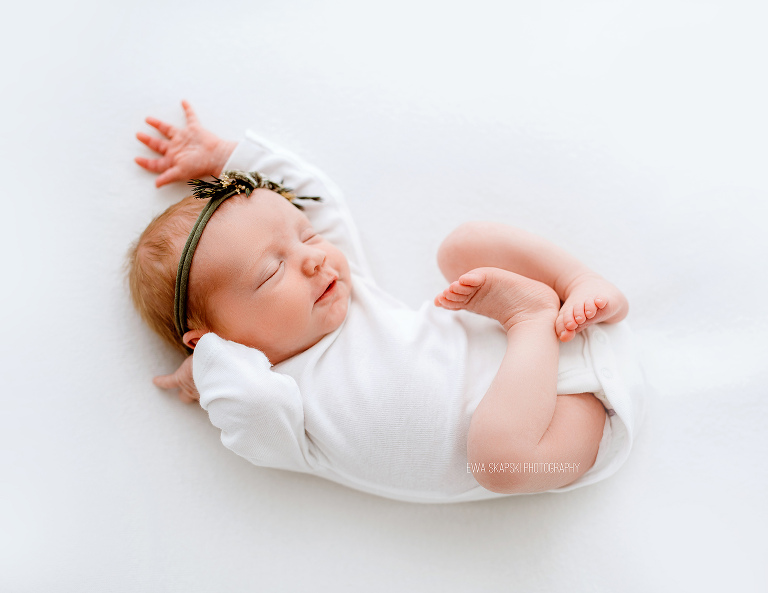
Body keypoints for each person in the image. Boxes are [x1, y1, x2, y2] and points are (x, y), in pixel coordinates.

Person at [128, 101, 645, 503]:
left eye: (306, 238)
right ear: (217, 343)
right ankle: (529, 312)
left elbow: (315, 195)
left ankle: (579, 281)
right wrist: (203, 370)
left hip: (561, 331)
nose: (313, 260)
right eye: (271, 272)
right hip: (562, 428)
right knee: (500, 466)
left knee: (462, 245)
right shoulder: (283, 409)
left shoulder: (348, 302)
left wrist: (226, 160)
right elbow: (248, 401)